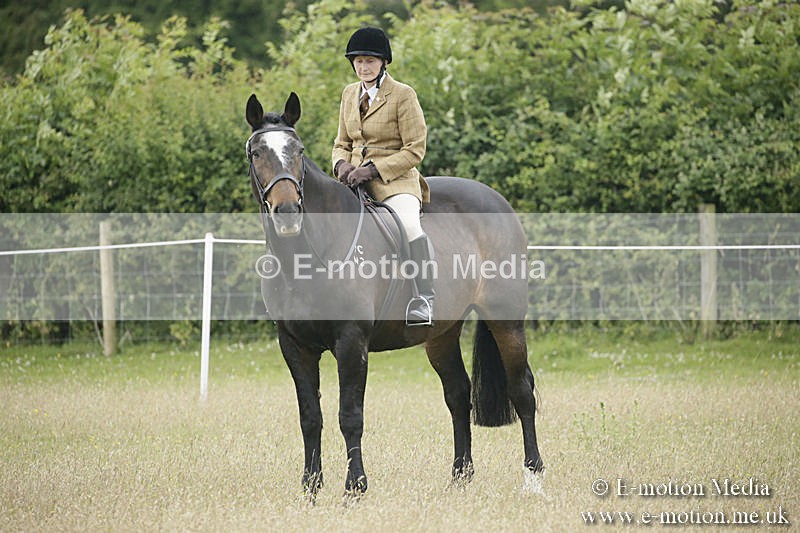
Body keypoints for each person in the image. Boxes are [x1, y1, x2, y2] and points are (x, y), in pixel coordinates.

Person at [332, 26, 434, 326]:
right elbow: (341, 143)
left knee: (409, 224)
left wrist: (374, 170)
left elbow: (415, 149)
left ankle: (423, 298)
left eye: (370, 61)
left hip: (395, 180)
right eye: (359, 61)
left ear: (383, 62)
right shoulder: (349, 94)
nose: (363, 66)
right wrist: (342, 166)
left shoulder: (403, 94)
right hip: (352, 180)